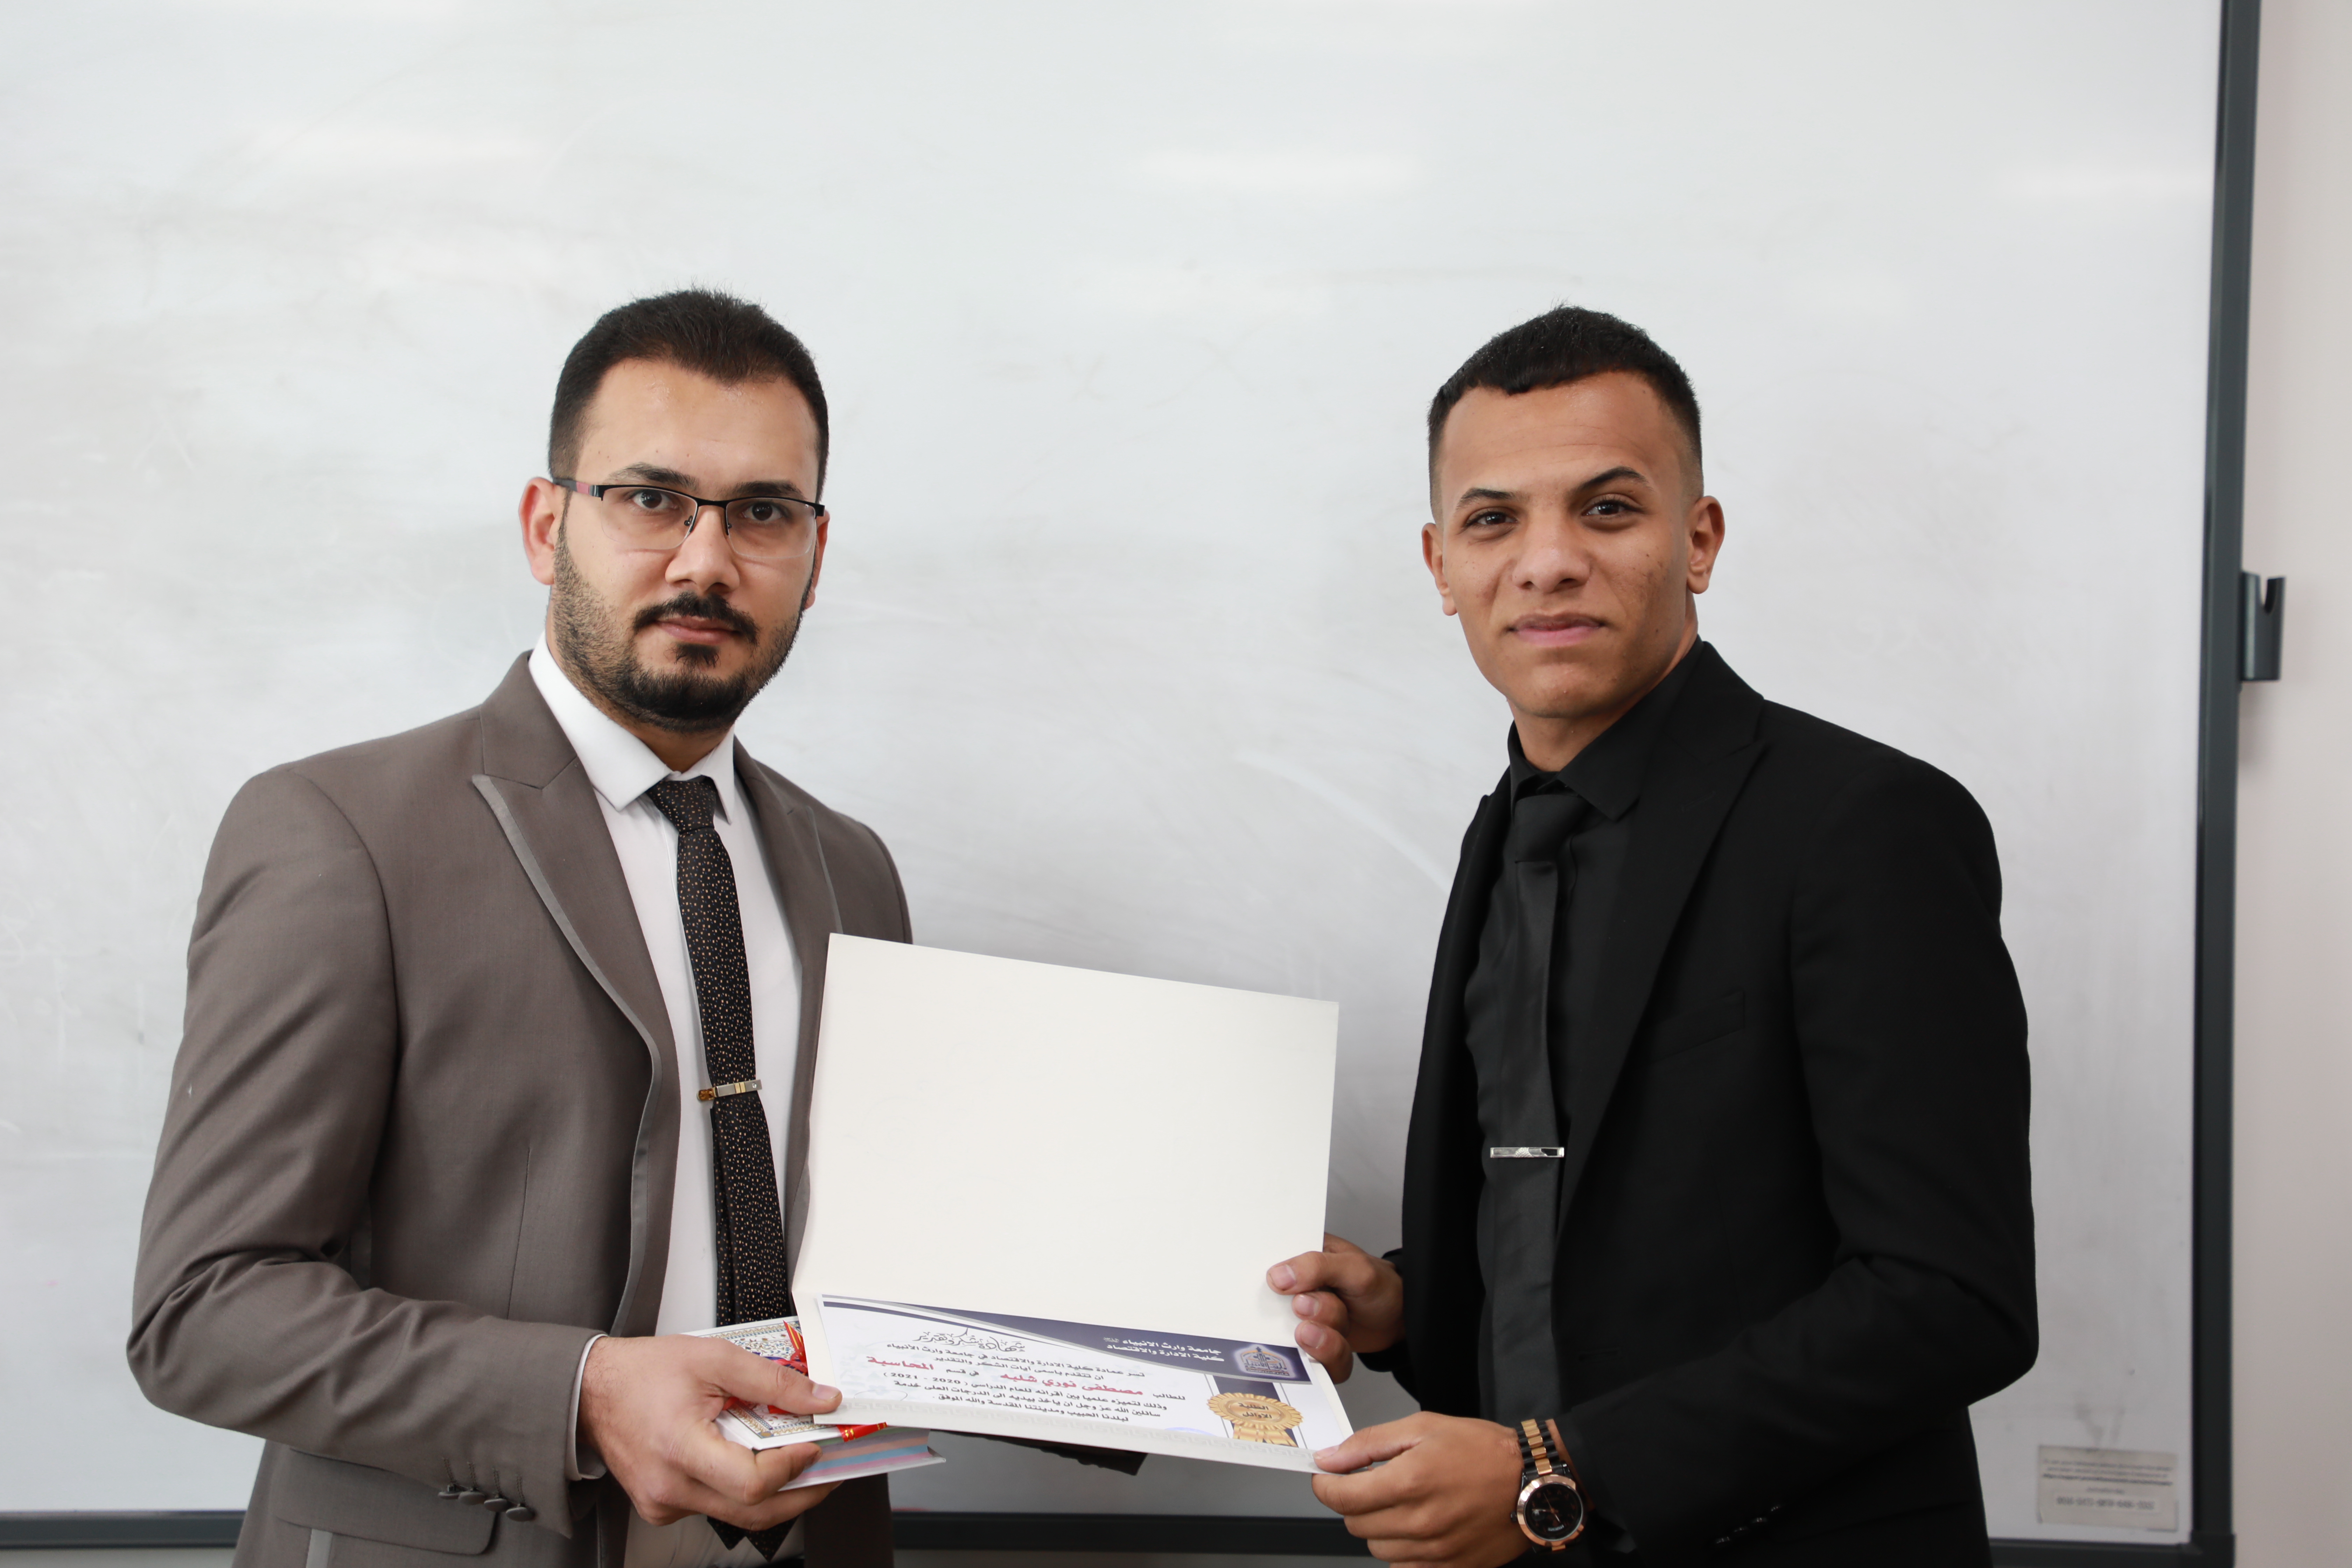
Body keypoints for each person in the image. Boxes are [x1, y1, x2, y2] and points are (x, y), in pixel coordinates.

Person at [131, 290, 906, 1568]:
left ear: (815, 558)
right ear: (550, 526)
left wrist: (1194, 1323)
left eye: (763, 513)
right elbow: (203, 1310)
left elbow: (898, 1248)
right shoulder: (339, 832)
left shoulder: (854, 870)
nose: (706, 563)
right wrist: (583, 1396)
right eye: (651, 498)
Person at [1269, 307, 2037, 1565]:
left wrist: (1552, 1472)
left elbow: (1951, 1298)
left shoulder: (1864, 824)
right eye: (1494, 519)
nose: (1548, 561)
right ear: (1442, 566)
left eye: (1609, 509)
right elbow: (1597, 1217)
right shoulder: (1506, 830)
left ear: (1700, 539)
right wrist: (1410, 1303)